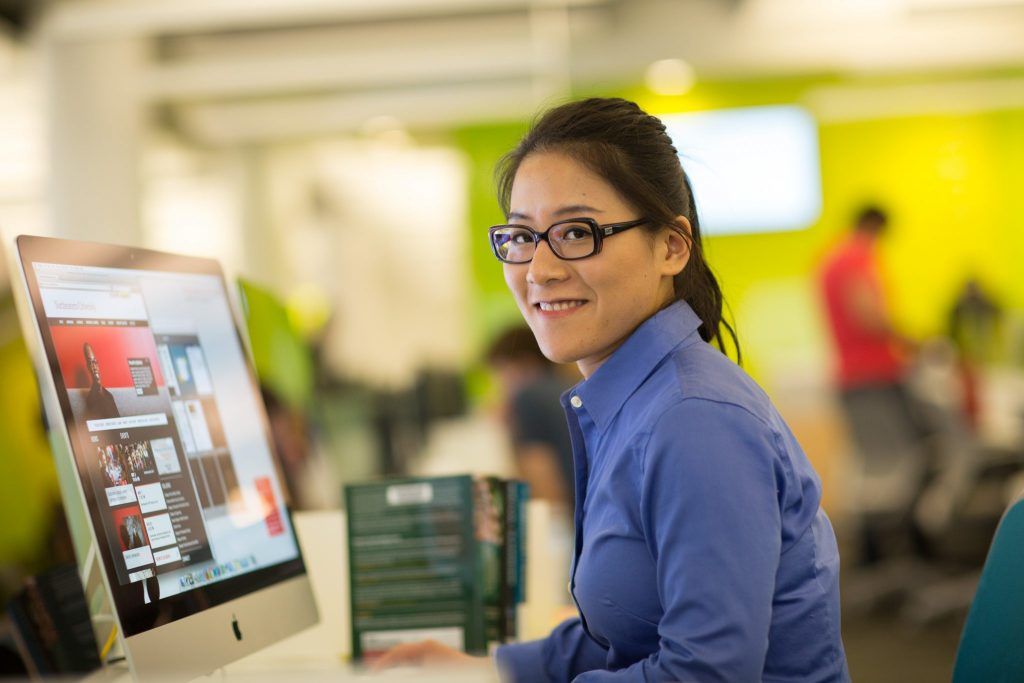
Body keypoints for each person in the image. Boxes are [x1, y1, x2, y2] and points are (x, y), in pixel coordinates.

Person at [373, 97, 849, 681]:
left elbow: (706, 674)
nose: (539, 270)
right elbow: (616, 637)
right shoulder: (628, 404)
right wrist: (487, 671)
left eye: (577, 232)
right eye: (522, 237)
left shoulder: (692, 419)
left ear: (672, 246)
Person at [819, 206, 931, 565]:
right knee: (905, 462)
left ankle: (875, 552)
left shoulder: (830, 259)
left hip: (852, 378)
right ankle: (900, 551)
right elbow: (867, 313)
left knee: (875, 463)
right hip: (876, 375)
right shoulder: (857, 256)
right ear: (876, 226)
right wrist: (911, 339)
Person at [486, 325, 575, 516]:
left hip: (571, 524)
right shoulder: (564, 388)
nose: (500, 385)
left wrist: (512, 431)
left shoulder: (529, 398)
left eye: (501, 372)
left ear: (526, 365)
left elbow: (545, 495)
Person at [82, 342, 120, 421]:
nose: (94, 366)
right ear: (87, 367)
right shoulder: (91, 398)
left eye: (95, 362)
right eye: (90, 362)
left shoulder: (109, 395)